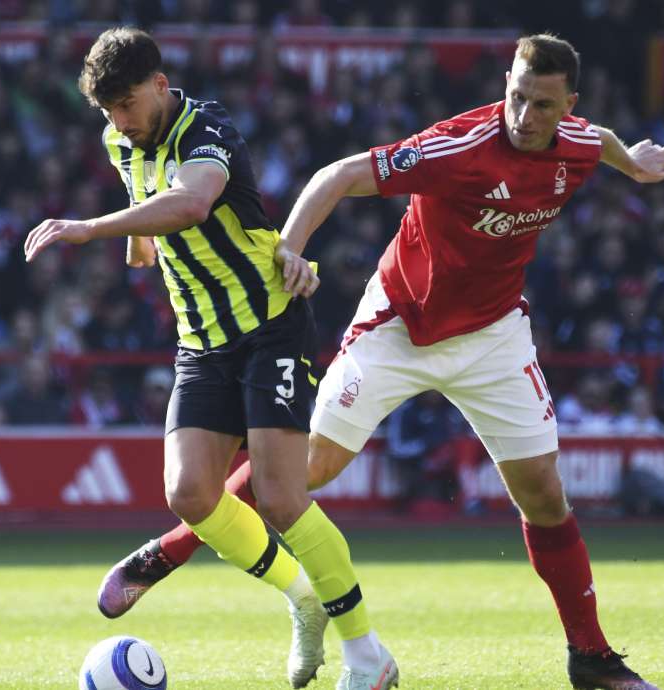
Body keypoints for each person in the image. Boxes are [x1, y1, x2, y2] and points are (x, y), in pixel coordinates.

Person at [98, 33, 664, 690]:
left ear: (567, 105)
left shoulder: (576, 141)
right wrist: (290, 247)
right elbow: (338, 176)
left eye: (542, 105)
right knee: (303, 473)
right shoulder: (457, 147)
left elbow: (597, 140)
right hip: (398, 324)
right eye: (516, 96)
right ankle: (171, 549)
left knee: (544, 495)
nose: (523, 115)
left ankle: (591, 660)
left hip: (492, 335)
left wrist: (632, 161)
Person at [22, 28, 394, 690]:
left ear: (160, 86)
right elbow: (149, 207)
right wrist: (138, 242)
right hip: (201, 339)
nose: (119, 122)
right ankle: (303, 597)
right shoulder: (120, 140)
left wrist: (91, 229)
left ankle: (368, 655)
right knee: (189, 493)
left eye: (127, 105)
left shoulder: (206, 130)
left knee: (281, 497)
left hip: (270, 323)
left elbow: (192, 201)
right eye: (108, 111)